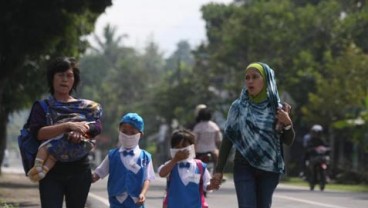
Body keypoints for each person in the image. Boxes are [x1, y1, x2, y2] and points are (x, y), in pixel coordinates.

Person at [210, 62, 295, 208]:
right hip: (243, 165)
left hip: (270, 168)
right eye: (247, 77)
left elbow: (288, 140)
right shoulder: (237, 107)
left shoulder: (278, 108)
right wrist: (219, 170)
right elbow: (228, 138)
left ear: (266, 80)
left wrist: (287, 123)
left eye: (255, 77)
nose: (250, 81)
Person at [28, 57, 103, 207]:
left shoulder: (86, 107)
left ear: (74, 80)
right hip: (50, 171)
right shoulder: (42, 107)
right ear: (52, 78)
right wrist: (67, 126)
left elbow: (96, 127)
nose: (65, 79)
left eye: (69, 75)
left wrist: (81, 133)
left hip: (79, 169)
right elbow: (38, 133)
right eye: (60, 75)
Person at [92, 113, 155, 208]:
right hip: (116, 201)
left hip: (136, 202)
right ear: (119, 131)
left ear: (140, 135)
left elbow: (147, 178)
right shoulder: (112, 155)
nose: (128, 135)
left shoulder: (145, 157)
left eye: (132, 132)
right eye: (124, 131)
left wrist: (143, 193)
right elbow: (98, 174)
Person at [27, 102, 101, 182]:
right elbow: (38, 133)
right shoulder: (45, 105)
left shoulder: (86, 117)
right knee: (52, 156)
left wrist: (81, 131)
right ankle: (43, 171)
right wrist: (69, 126)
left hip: (73, 158)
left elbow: (97, 128)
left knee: (45, 149)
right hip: (60, 154)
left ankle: (38, 167)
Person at [158, 129, 215, 208]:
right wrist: (175, 160)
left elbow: (207, 185)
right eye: (178, 147)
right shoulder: (171, 165)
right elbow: (162, 173)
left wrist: (212, 185)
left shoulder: (200, 166)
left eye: (184, 146)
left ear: (192, 147)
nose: (181, 150)